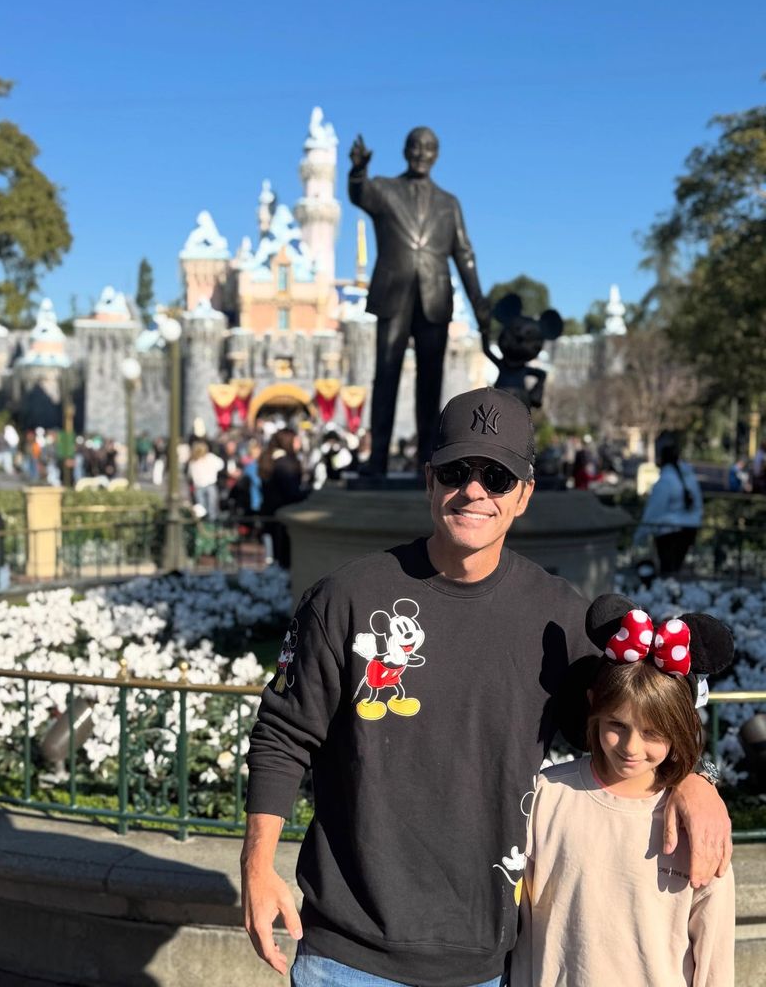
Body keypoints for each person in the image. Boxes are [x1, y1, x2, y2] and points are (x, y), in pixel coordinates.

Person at [241, 387, 732, 987]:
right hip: (346, 953)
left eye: (496, 476)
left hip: (485, 960)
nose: (473, 490)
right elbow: (284, 733)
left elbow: (639, 719)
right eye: (456, 471)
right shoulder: (345, 597)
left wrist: (694, 782)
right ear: (429, 480)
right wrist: (257, 866)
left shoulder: (560, 619)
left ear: (524, 494)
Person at [511, 593, 735, 986]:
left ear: (680, 728)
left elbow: (714, 957)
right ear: (592, 706)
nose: (631, 747)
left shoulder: (700, 827)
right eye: (617, 725)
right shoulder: (546, 797)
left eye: (652, 733)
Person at [348, 127, 491, 474]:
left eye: (429, 149)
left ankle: (428, 460)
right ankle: (377, 459)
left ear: (437, 155)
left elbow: (465, 255)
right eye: (415, 147)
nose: (421, 154)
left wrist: (479, 303)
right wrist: (358, 172)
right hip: (393, 293)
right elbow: (360, 194)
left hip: (434, 297)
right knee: (385, 376)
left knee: (431, 381)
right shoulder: (385, 189)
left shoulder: (448, 203)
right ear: (405, 150)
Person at [634, 443, 703, 575]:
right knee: (675, 569)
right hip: (689, 529)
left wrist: (639, 536)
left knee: (668, 571)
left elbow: (653, 512)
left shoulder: (666, 480)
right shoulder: (689, 477)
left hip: (669, 532)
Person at [259, 429, 309, 567]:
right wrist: (310, 494)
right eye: (296, 440)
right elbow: (291, 493)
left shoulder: (271, 459)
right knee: (283, 558)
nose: (299, 443)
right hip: (282, 515)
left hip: (271, 511)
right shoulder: (284, 463)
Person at [188, 441, 225, 521]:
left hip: (208, 485)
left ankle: (210, 524)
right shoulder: (194, 461)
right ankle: (204, 525)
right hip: (200, 486)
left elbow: (221, 465)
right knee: (202, 509)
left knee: (211, 508)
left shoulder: (210, 457)